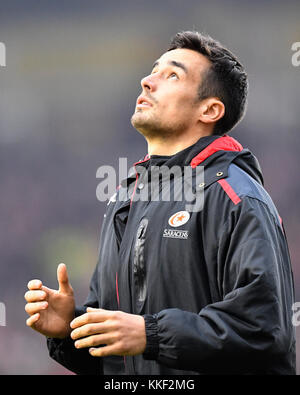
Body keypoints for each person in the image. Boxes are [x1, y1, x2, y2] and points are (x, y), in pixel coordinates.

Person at [24, 31, 296, 375]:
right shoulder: (125, 200)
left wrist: (150, 334)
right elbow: (121, 361)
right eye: (153, 70)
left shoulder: (237, 197)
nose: (147, 81)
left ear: (209, 109)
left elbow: (263, 332)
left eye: (172, 75)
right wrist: (70, 330)